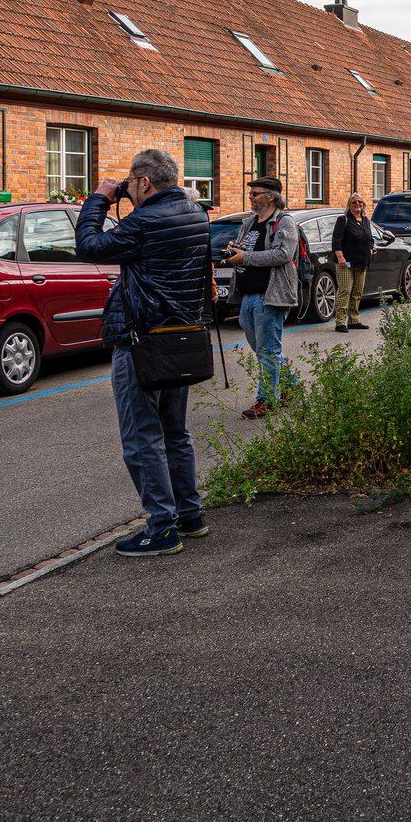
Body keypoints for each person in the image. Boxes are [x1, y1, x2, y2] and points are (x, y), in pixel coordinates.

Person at [75, 149, 210, 556]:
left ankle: (161, 528)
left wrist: (99, 197)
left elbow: (89, 247)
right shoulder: (194, 215)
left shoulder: (145, 221)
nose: (126, 188)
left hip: (142, 341)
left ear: (145, 183)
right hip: (181, 336)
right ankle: (190, 514)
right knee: (175, 432)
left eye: (130, 183)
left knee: (141, 437)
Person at [224, 176, 299, 418]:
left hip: (270, 295)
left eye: (255, 193)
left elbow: (283, 255)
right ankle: (292, 386)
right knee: (264, 349)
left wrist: (244, 257)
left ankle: (266, 400)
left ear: (271, 196)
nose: (251, 196)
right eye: (251, 193)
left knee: (267, 351)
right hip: (247, 295)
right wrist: (235, 249)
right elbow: (248, 251)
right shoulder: (248, 223)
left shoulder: (284, 222)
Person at [331, 191, 374, 332]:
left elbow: (370, 239)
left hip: (361, 262)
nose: (357, 204)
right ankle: (340, 322)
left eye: (360, 202)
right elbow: (336, 241)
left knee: (357, 293)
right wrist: (340, 257)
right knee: (345, 291)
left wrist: (371, 249)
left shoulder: (366, 220)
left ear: (363, 204)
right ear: (349, 205)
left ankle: (354, 320)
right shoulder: (344, 220)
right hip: (346, 263)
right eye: (354, 202)